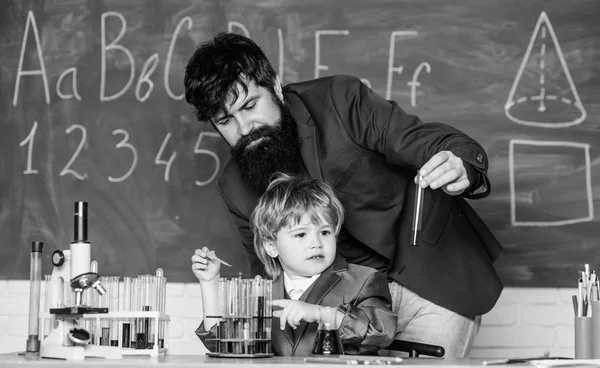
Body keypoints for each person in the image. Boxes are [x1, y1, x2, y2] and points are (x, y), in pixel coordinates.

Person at [184, 32, 503, 357]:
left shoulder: (339, 99)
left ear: (276, 87)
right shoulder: (234, 187)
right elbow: (267, 274)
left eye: (250, 106)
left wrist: (461, 164)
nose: (244, 127)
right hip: (343, 311)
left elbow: (420, 139)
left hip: (431, 281)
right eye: (225, 121)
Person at [192, 173, 397, 356]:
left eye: (325, 232)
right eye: (300, 234)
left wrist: (319, 314)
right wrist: (209, 283)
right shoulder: (262, 292)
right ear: (271, 247)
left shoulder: (364, 280)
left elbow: (381, 332)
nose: (316, 243)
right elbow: (223, 346)